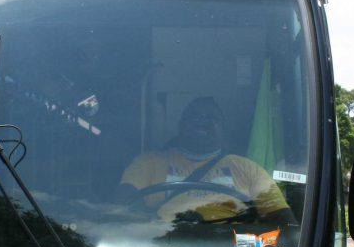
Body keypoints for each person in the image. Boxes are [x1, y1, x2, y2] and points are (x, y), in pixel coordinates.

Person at [117, 96, 294, 226]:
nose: (203, 122)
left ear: (223, 128)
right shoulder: (149, 163)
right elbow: (122, 207)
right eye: (195, 117)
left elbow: (283, 220)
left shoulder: (246, 168)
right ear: (181, 125)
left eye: (211, 118)